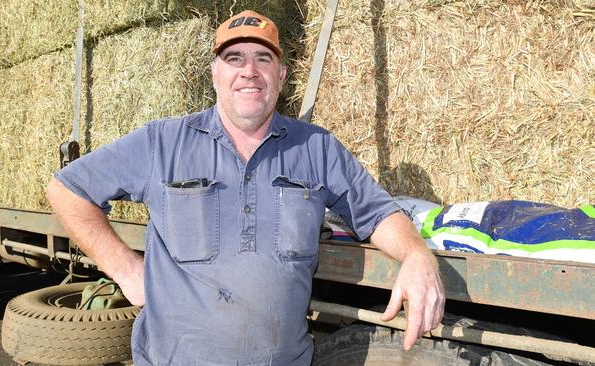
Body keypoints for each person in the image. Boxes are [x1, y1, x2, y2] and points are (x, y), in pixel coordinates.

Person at [46, 10, 445, 365]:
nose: (248, 71)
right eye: (233, 59)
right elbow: (67, 190)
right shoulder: (161, 143)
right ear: (215, 74)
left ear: (282, 75)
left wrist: (416, 256)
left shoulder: (318, 148)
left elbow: (378, 212)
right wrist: (126, 269)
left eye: (263, 58)